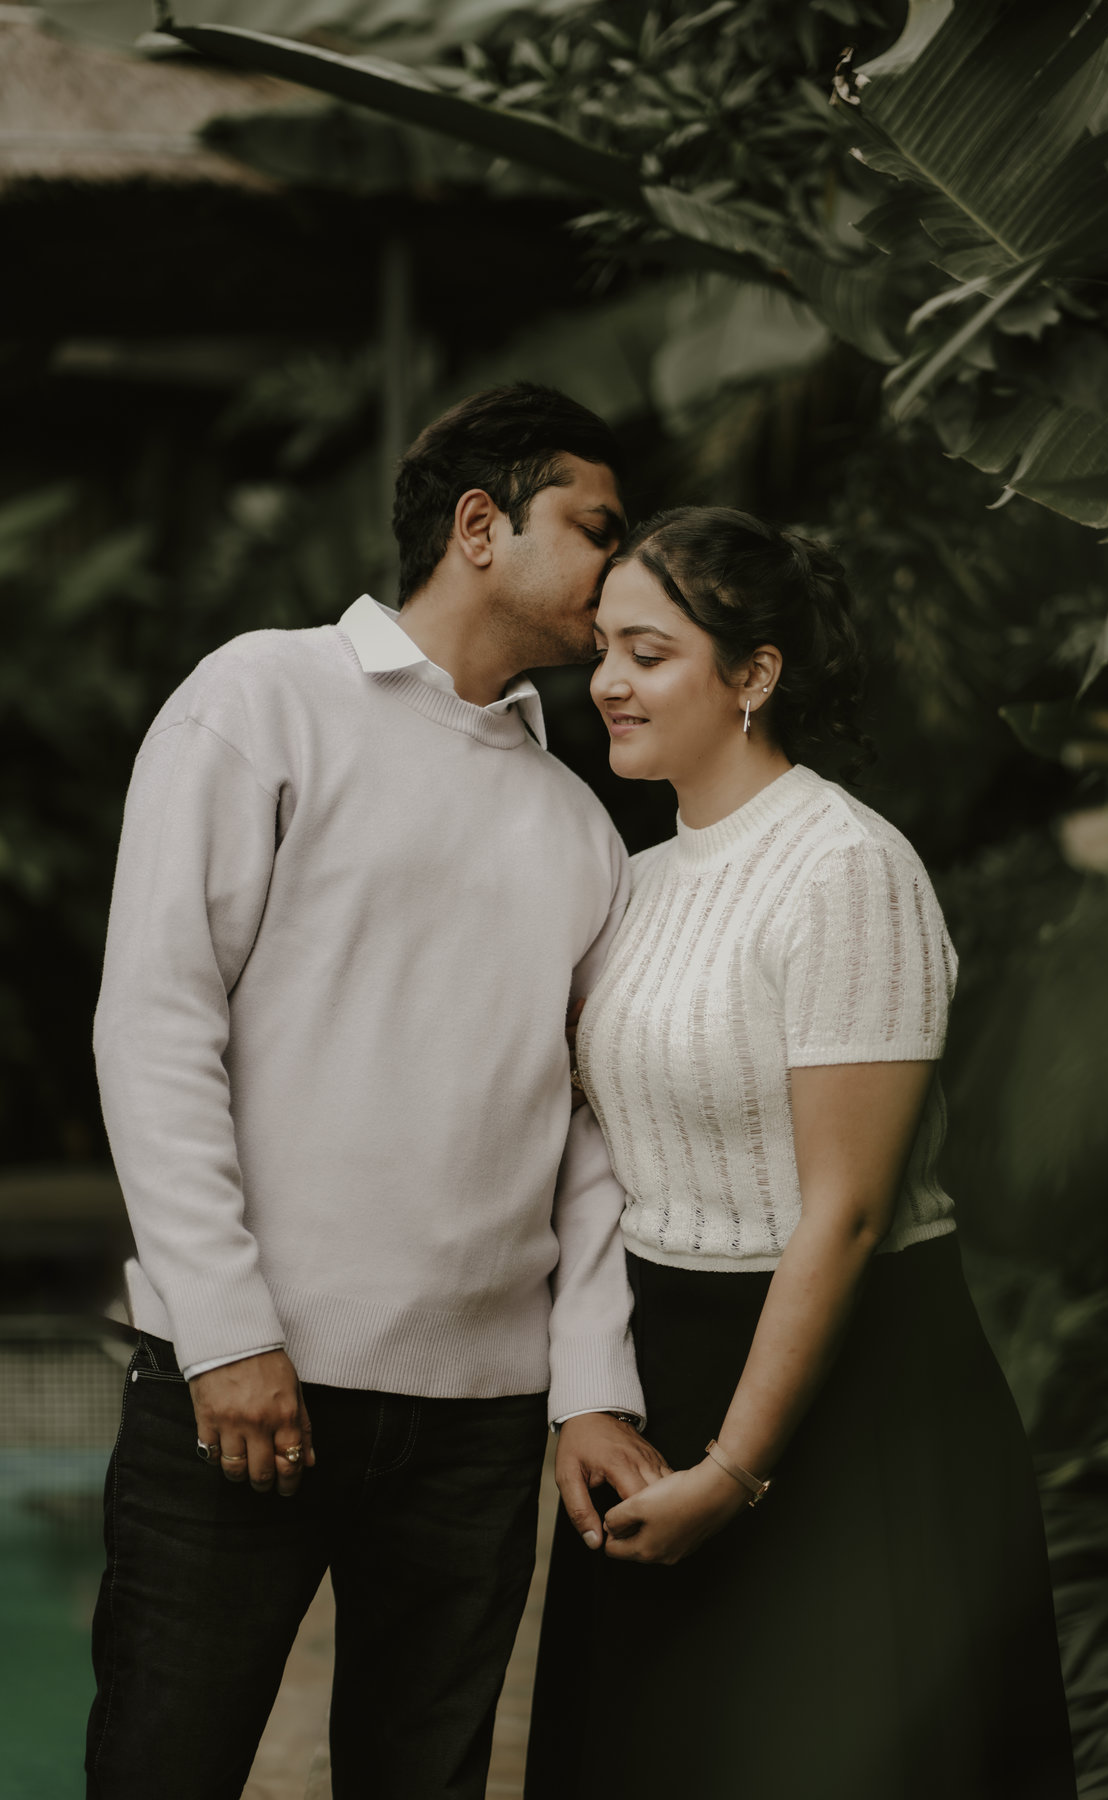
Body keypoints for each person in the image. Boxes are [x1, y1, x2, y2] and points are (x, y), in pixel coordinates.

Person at [85, 383, 671, 1800]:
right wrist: (226, 1332)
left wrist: (592, 1388)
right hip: (243, 1387)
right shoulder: (261, 697)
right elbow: (156, 1023)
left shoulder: (579, 824)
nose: (620, 571)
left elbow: (592, 1133)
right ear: (479, 525)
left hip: (478, 1426)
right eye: (596, 529)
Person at [525, 507, 1078, 1800]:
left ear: (754, 674)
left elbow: (847, 1212)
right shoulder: (639, 882)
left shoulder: (848, 870)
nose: (607, 682)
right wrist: (591, 1396)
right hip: (665, 1372)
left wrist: (736, 1470)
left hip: (853, 1391)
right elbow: (603, 1156)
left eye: (649, 652)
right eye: (603, 650)